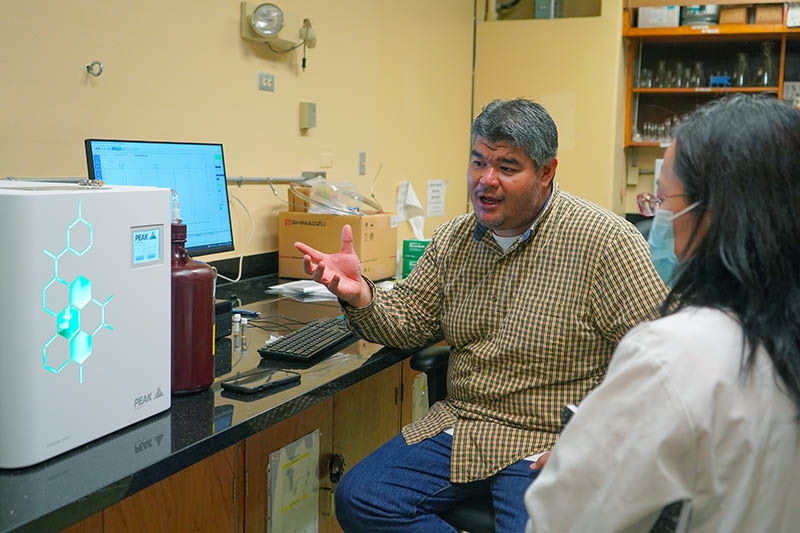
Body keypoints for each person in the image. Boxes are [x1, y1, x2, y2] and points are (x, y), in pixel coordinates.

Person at [295, 98, 667, 531]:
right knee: (362, 498)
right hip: (465, 423)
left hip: (547, 437)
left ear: (546, 172)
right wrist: (361, 296)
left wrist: (594, 439)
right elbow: (411, 319)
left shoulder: (605, 242)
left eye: (507, 168)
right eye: (478, 162)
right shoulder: (455, 239)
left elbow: (656, 357)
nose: (485, 181)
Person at [524, 94, 800, 532]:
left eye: (664, 197)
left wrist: (589, 448)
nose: (660, 216)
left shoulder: (673, 354)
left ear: (713, 214)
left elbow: (562, 521)